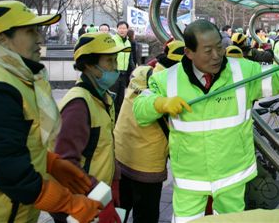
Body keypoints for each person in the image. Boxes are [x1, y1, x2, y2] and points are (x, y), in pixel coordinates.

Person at [133, 19, 279, 223]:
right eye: (208, 50)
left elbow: (278, 80)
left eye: (219, 47)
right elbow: (140, 109)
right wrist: (159, 104)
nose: (217, 55)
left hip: (233, 174)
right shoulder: (166, 79)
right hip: (190, 177)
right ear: (189, 53)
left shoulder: (243, 71)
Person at [0, 0, 101, 223]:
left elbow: (11, 144)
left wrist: (50, 163)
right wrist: (70, 204)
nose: (40, 38)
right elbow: (10, 172)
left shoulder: (17, 78)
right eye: (30, 31)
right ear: (1, 39)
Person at [53, 32, 131, 222]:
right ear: (88, 65)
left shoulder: (104, 97)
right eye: (109, 61)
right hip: (81, 201)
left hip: (98, 194)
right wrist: (96, 194)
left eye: (115, 60)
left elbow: (104, 147)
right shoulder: (78, 104)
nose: (115, 67)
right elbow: (65, 164)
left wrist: (114, 182)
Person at [114, 40, 185, 223]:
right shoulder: (175, 86)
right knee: (145, 214)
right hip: (146, 165)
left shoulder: (141, 72)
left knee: (119, 209)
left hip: (121, 154)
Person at [111, 20, 133, 117]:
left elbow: (130, 59)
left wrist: (133, 72)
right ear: (117, 29)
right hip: (114, 73)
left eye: (124, 28)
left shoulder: (128, 42)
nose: (122, 30)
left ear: (127, 29)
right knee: (113, 97)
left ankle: (117, 120)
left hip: (124, 74)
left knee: (121, 98)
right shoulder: (113, 40)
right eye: (120, 28)